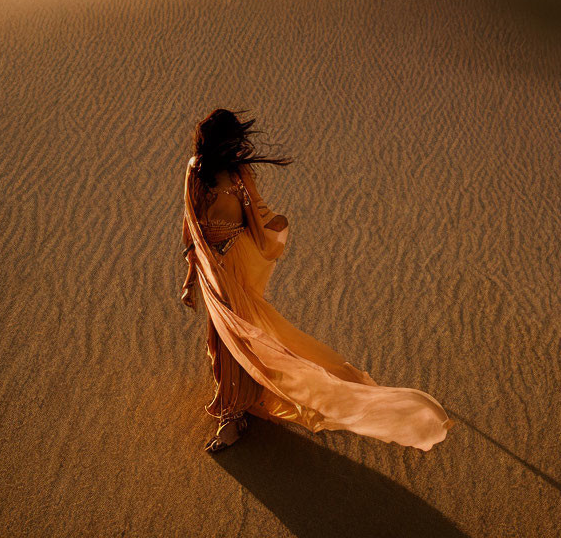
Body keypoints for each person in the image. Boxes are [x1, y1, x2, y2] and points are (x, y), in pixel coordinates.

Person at [181, 108, 455, 453]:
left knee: (239, 335)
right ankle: (240, 401)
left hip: (237, 262)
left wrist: (276, 226)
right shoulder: (195, 169)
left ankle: (233, 417)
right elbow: (190, 227)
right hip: (210, 266)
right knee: (220, 336)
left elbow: (260, 217)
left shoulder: (238, 176)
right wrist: (191, 278)